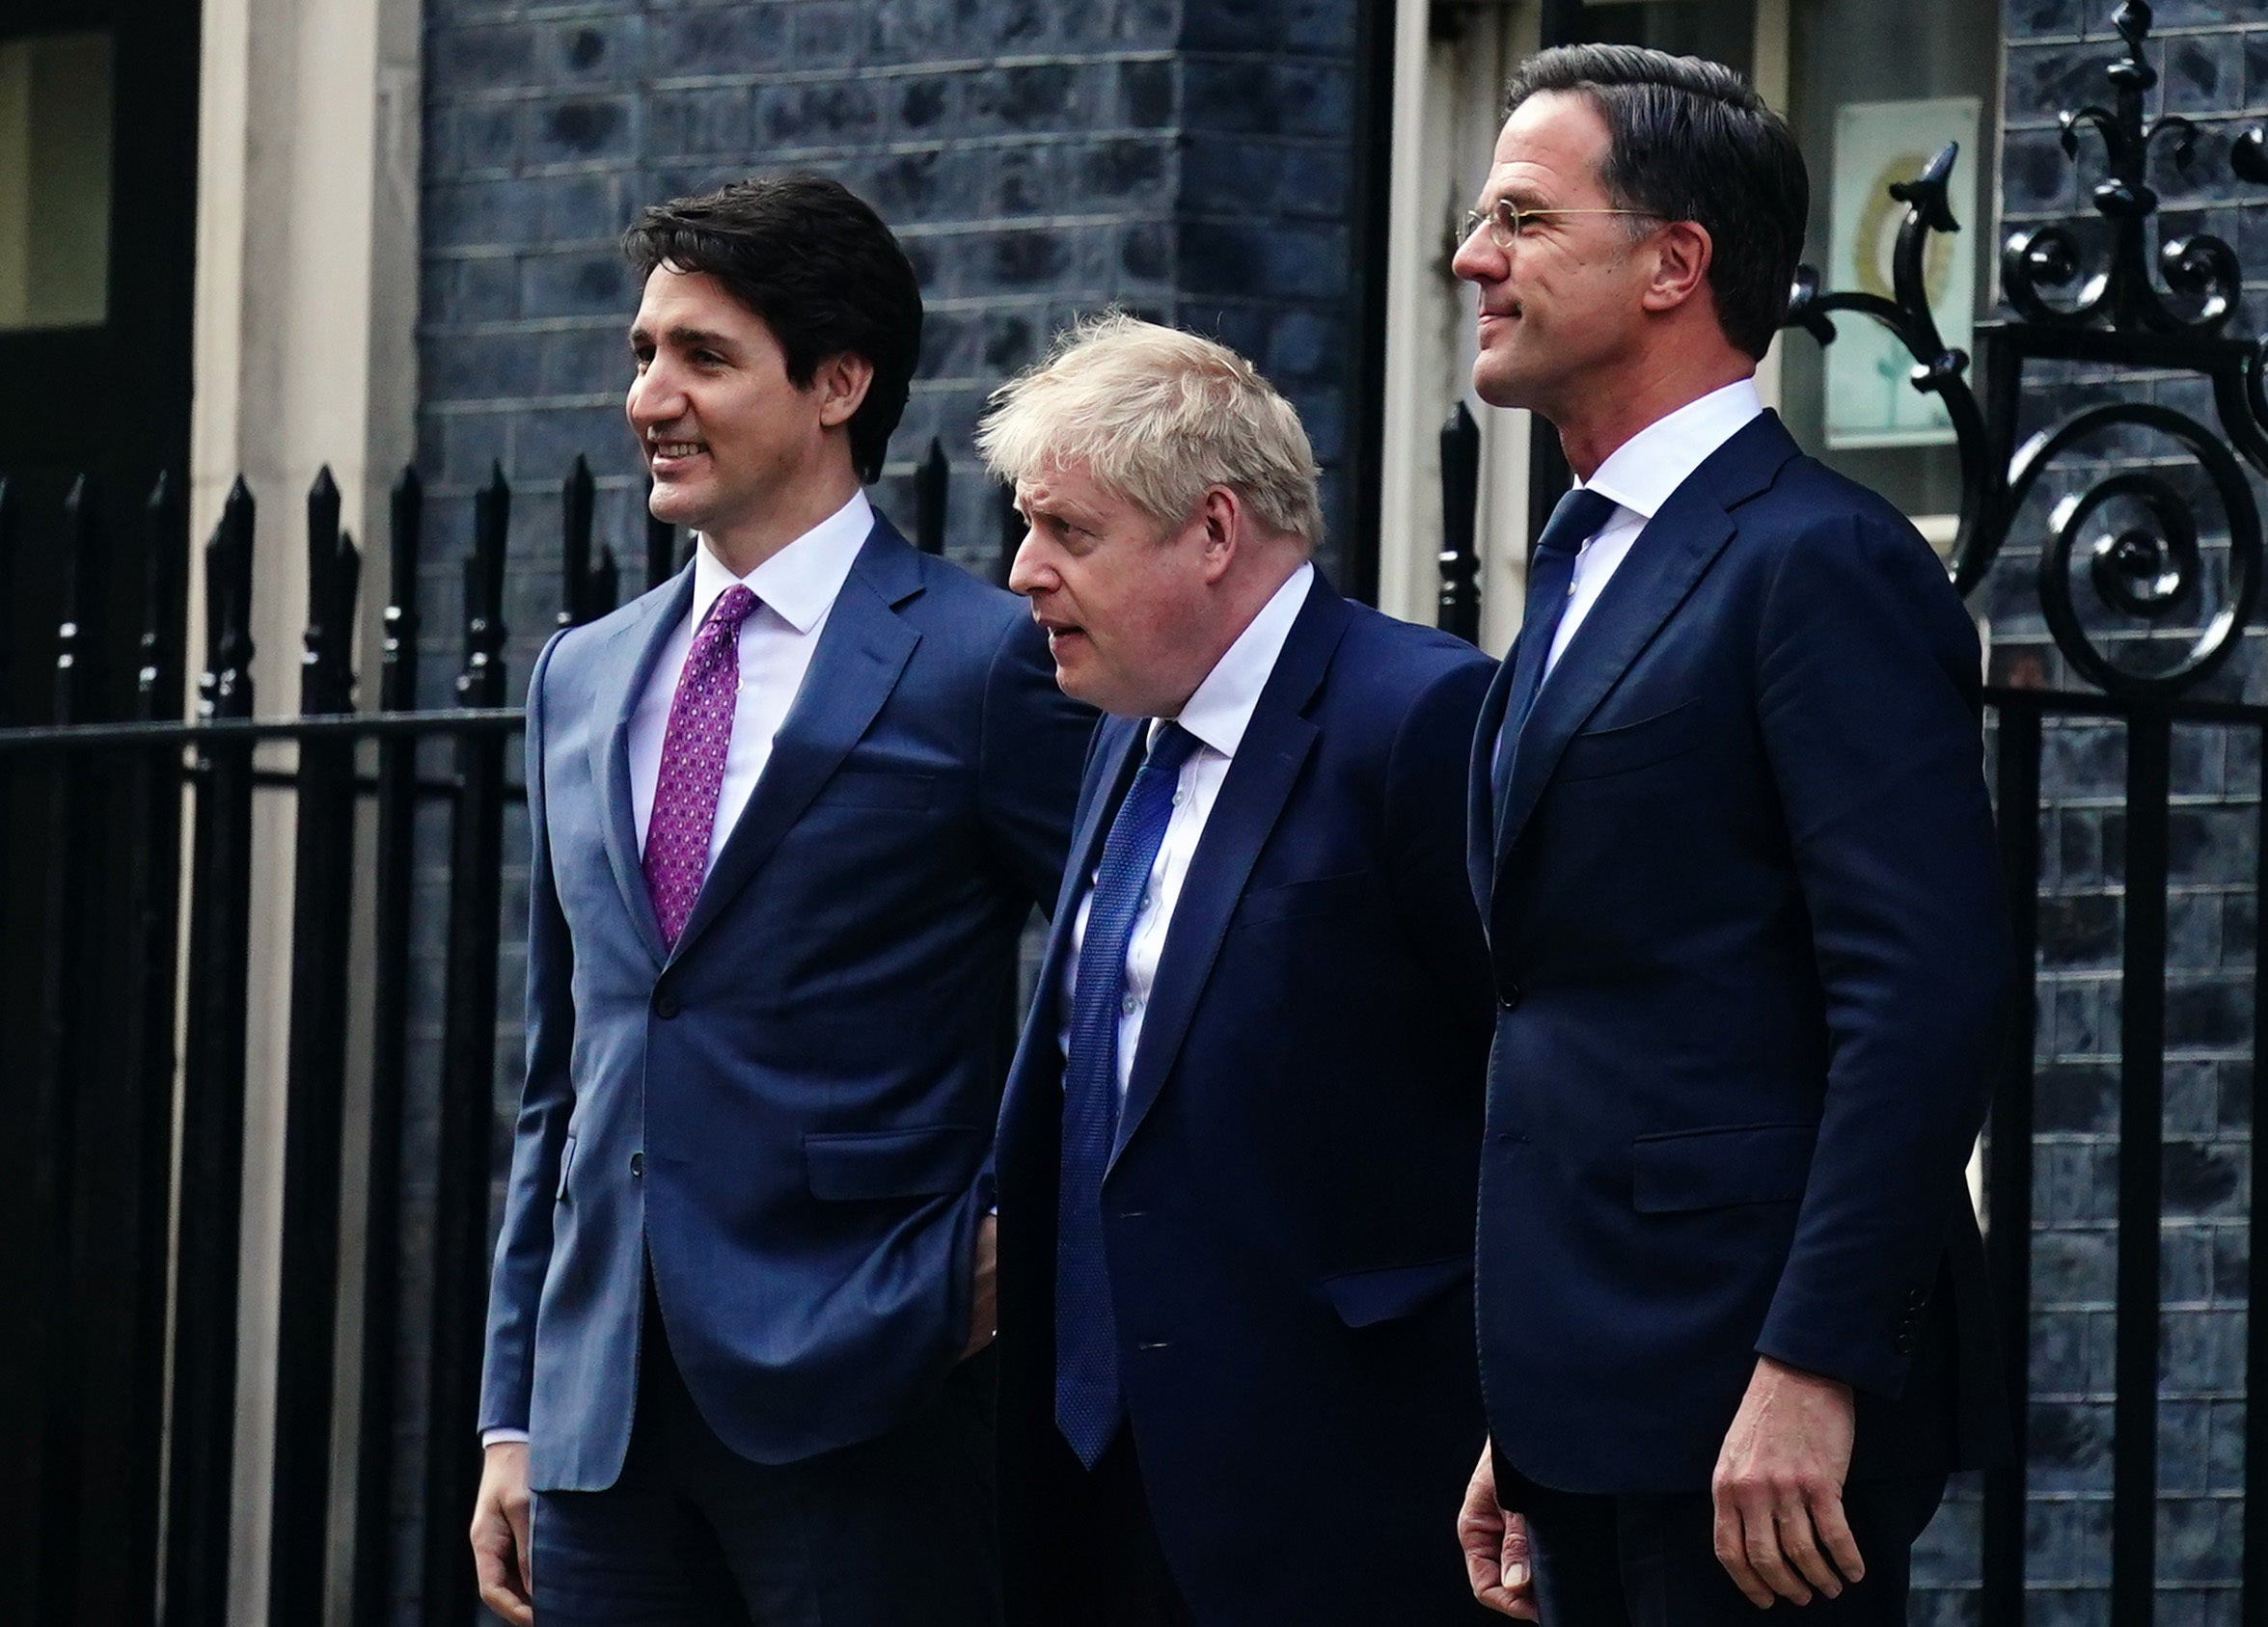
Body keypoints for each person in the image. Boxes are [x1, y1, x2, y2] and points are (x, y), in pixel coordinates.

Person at [469, 173, 1092, 1627]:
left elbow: (1134, 969)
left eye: (702, 356)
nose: (649, 397)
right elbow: (562, 1077)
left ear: (839, 384)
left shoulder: (982, 661)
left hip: (868, 1393)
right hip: (602, 1423)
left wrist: (1006, 1244)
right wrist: (516, 1409)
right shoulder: (582, 674)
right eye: (642, 353)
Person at [1450, 46, 2010, 1625]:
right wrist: (1534, 1397)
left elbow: (1923, 992)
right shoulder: (1585, 564)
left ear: (1672, 265)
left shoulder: (1818, 563)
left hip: (1759, 1423)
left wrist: (1815, 1364)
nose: (1471, 258)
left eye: (1520, 219)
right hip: (1599, 1396)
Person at [980, 314, 1500, 1627]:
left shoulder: (1417, 718)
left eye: (1070, 535)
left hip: (1346, 1493)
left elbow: (1535, 1094)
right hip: (1096, 1473)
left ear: (1214, 532)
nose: (1025, 575)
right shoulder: (1123, 736)